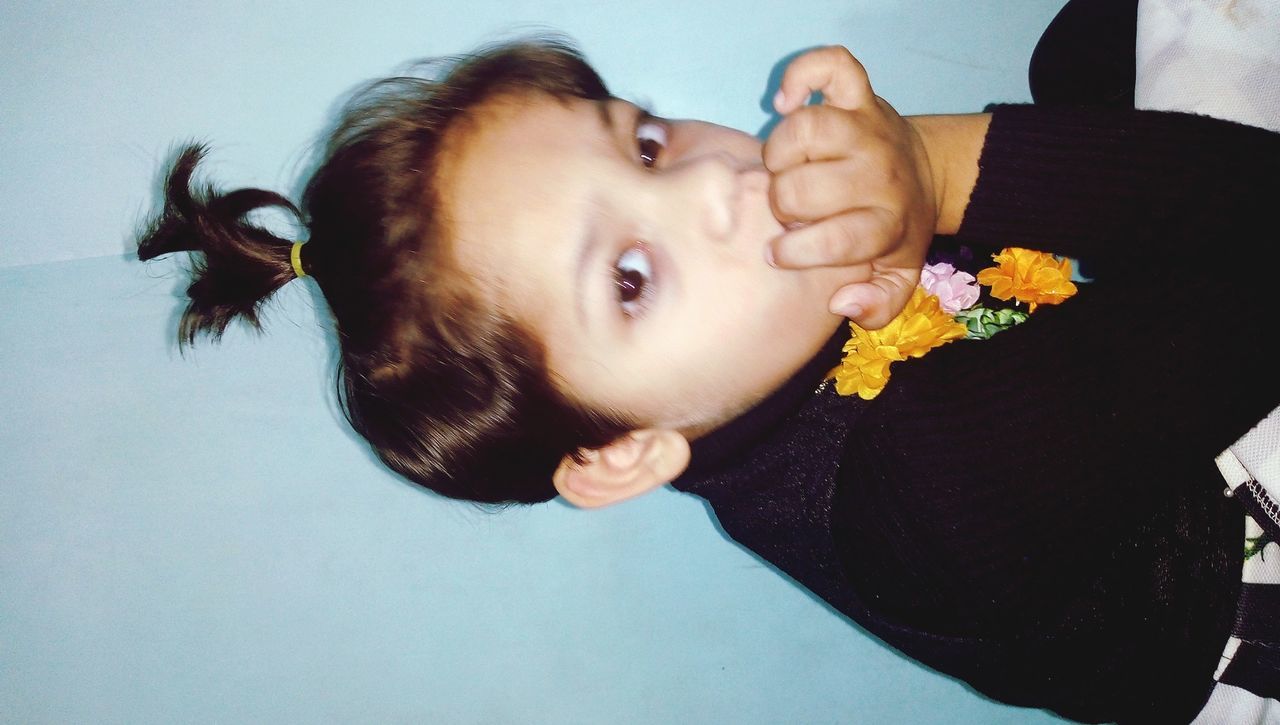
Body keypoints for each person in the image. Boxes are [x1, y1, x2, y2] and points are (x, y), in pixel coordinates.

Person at [136, 22, 1280, 725]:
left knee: (1085, 48)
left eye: (643, 146)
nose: (715, 187)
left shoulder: (769, 342)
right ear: (622, 448)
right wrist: (931, 167)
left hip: (1167, 396)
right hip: (1241, 574)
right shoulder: (928, 493)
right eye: (629, 276)